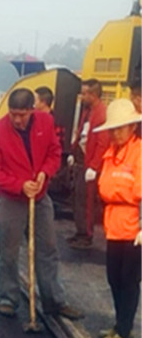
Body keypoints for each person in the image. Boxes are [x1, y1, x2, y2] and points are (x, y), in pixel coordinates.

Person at [0, 87, 83, 321]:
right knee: (8, 251)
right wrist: (19, 185)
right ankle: (8, 298)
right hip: (10, 199)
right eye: (13, 114)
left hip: (39, 198)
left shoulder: (46, 123)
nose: (17, 119)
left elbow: (53, 152)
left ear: (32, 110)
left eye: (22, 114)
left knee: (48, 249)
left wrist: (44, 174)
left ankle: (54, 300)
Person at [93, 99, 142, 338]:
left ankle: (123, 330)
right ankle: (121, 324)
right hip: (114, 226)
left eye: (122, 127)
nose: (117, 132)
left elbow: (137, 192)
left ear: (133, 127)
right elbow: (106, 187)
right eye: (114, 128)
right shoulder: (111, 153)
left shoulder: (139, 153)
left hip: (134, 228)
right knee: (114, 278)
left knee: (128, 279)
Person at [67, 79, 109, 249]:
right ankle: (80, 232)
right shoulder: (88, 111)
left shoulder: (101, 113)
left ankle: (86, 235)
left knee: (87, 201)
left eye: (85, 93)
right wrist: (72, 152)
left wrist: (94, 166)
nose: (82, 96)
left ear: (93, 94)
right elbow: (80, 134)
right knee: (78, 199)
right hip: (81, 160)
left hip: (89, 162)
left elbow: (102, 142)